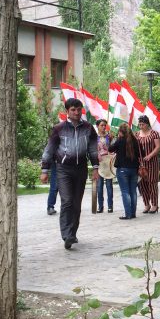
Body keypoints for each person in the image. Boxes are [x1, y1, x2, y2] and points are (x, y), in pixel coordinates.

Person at [40, 98, 99, 250]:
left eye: (79, 109)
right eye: (73, 110)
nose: (76, 112)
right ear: (67, 111)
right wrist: (45, 170)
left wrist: (96, 168)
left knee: (76, 204)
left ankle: (72, 233)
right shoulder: (58, 128)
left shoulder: (88, 128)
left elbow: (93, 149)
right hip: (63, 169)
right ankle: (66, 234)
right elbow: (49, 150)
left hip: (81, 169)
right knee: (66, 201)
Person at [109, 123, 140, 220]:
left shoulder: (120, 140)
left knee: (125, 192)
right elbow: (141, 153)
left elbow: (110, 149)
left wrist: (115, 139)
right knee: (133, 191)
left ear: (121, 132)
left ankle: (128, 214)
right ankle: (133, 213)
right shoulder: (135, 140)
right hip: (134, 169)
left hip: (122, 169)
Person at [136, 115, 160, 214]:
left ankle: (155, 205)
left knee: (152, 183)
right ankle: (146, 204)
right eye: (140, 124)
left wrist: (150, 155)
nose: (141, 126)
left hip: (152, 162)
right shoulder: (137, 134)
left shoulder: (154, 134)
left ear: (147, 124)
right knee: (142, 184)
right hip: (140, 163)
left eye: (142, 124)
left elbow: (158, 147)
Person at [95, 119, 113, 213]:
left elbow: (112, 148)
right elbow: (92, 150)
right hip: (99, 163)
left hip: (108, 162)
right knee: (99, 185)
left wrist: (111, 139)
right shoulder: (94, 137)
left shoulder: (108, 136)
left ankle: (110, 206)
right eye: (101, 125)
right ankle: (100, 206)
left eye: (104, 125)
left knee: (109, 185)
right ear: (97, 126)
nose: (103, 127)